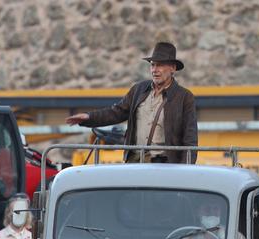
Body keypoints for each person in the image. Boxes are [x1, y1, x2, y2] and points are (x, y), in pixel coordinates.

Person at [65, 42, 197, 164]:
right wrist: (89, 117)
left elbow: (190, 141)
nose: (155, 69)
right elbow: (117, 112)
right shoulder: (139, 90)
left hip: (165, 165)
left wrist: (184, 172)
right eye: (152, 64)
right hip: (134, 162)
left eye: (160, 65)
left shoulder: (184, 97)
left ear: (173, 68)